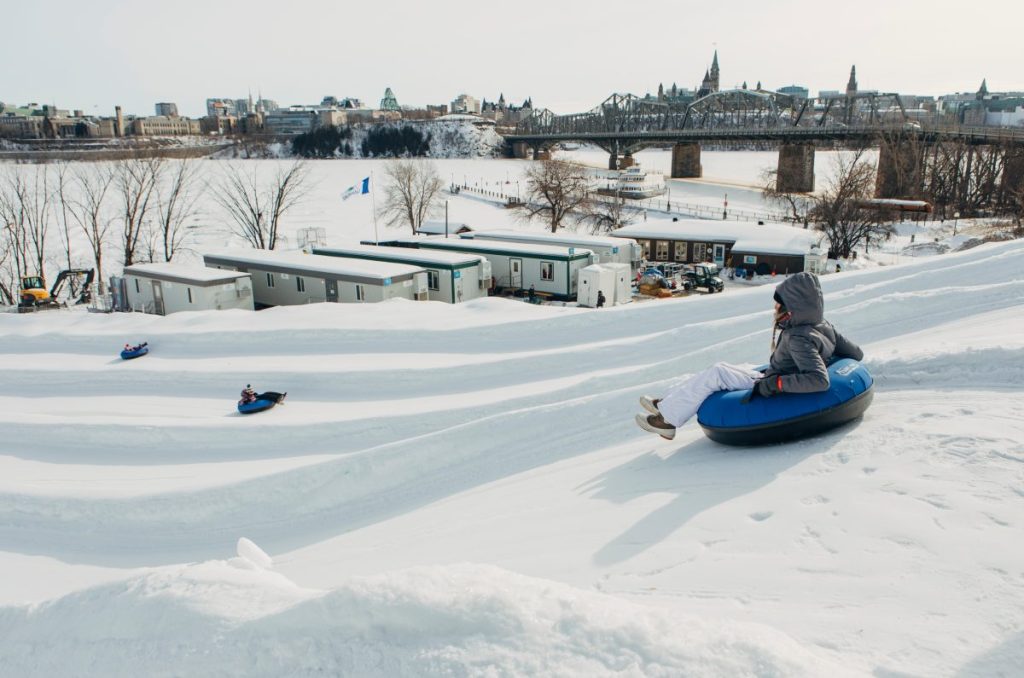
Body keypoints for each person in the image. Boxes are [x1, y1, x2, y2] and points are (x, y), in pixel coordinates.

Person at [636, 271, 863, 440]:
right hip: (773, 374)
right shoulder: (823, 325)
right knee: (721, 368)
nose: (775, 308)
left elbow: (819, 380)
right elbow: (856, 353)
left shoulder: (798, 337)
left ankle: (667, 421)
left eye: (778, 304)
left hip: (772, 384)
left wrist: (776, 384)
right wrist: (829, 356)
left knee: (717, 374)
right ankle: (667, 404)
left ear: (792, 307)